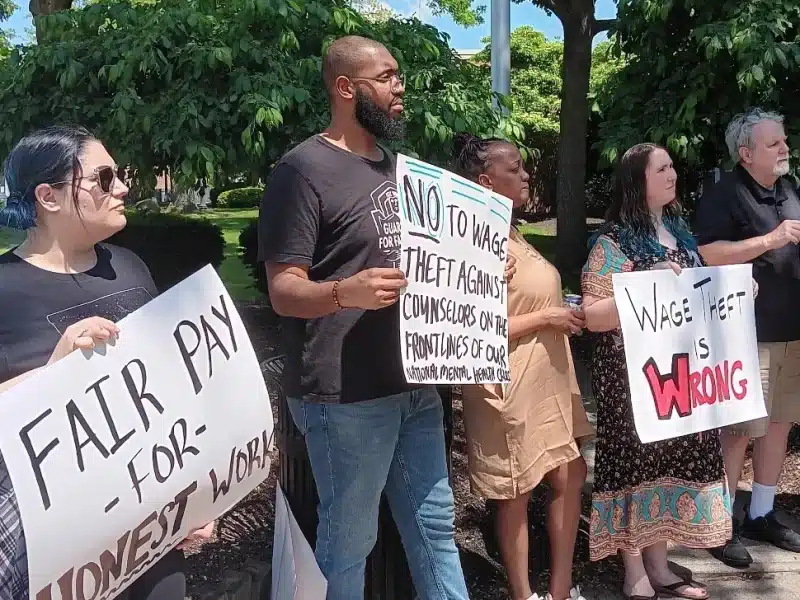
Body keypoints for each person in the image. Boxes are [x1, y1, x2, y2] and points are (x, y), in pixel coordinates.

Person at [258, 36, 471, 600]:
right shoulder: (301, 170)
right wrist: (343, 293)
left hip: (415, 383)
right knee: (350, 542)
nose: (401, 88)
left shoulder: (405, 171)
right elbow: (283, 290)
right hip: (344, 395)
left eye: (400, 77)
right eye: (388, 76)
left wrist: (469, 276)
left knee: (435, 529)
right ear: (347, 88)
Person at [0, 125, 213, 600]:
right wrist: (55, 374)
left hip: (151, 533)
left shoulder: (130, 265)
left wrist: (198, 488)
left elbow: (167, 390)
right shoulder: (4, 291)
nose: (122, 187)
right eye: (104, 177)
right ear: (48, 197)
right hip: (57, 555)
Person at [581, 143, 732, 600]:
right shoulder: (612, 241)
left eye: (671, 166)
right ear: (636, 179)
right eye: (661, 167)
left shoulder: (680, 233)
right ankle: (635, 573)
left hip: (679, 379)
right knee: (636, 468)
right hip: (632, 382)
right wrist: (648, 284)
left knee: (668, 463)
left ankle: (660, 566)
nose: (672, 173)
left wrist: (736, 293)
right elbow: (593, 314)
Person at [454, 134, 592, 600]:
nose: (527, 174)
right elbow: (466, 324)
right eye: (515, 168)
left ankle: (559, 587)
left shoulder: (510, 231)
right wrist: (548, 317)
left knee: (569, 474)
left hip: (548, 378)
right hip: (506, 382)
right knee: (516, 491)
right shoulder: (468, 242)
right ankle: (521, 593)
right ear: (485, 181)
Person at [694, 108, 800, 567]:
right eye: (774, 143)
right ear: (745, 152)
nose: (784, 148)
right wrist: (768, 241)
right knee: (739, 431)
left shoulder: (790, 189)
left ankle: (760, 512)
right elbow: (707, 252)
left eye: (784, 140)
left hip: (792, 331)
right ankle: (721, 524)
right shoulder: (725, 193)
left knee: (779, 424)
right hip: (744, 334)